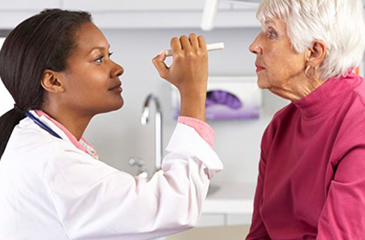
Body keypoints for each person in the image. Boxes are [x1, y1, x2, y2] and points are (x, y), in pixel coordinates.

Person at [0, 9, 223, 240]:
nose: (117, 68)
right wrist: (193, 90)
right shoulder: (55, 162)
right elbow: (175, 205)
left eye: (109, 55)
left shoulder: (34, 142)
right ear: (53, 81)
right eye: (99, 59)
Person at [246, 0, 365, 239]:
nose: (254, 46)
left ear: (314, 52)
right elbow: (259, 235)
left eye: (271, 33)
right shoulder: (279, 127)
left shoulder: (358, 126)